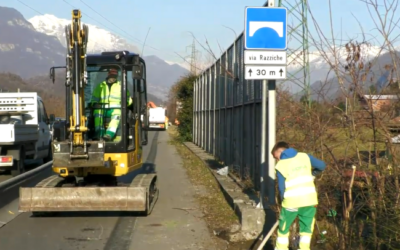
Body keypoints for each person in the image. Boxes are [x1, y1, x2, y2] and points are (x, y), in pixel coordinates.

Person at [271, 141, 326, 250]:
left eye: (275, 156)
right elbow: (322, 166)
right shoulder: (304, 156)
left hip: (291, 203)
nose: (276, 159)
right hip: (310, 201)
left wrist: (283, 203)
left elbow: (282, 188)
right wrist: (312, 175)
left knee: (283, 230)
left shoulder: (281, 165)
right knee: (306, 230)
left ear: (280, 151)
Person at [91, 68, 132, 141]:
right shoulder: (100, 86)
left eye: (114, 76)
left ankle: (109, 134)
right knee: (97, 112)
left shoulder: (121, 86)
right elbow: (94, 99)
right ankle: (99, 133)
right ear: (108, 75)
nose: (113, 78)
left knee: (117, 114)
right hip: (103, 108)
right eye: (112, 76)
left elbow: (129, 99)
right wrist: (94, 104)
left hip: (116, 108)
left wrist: (126, 103)